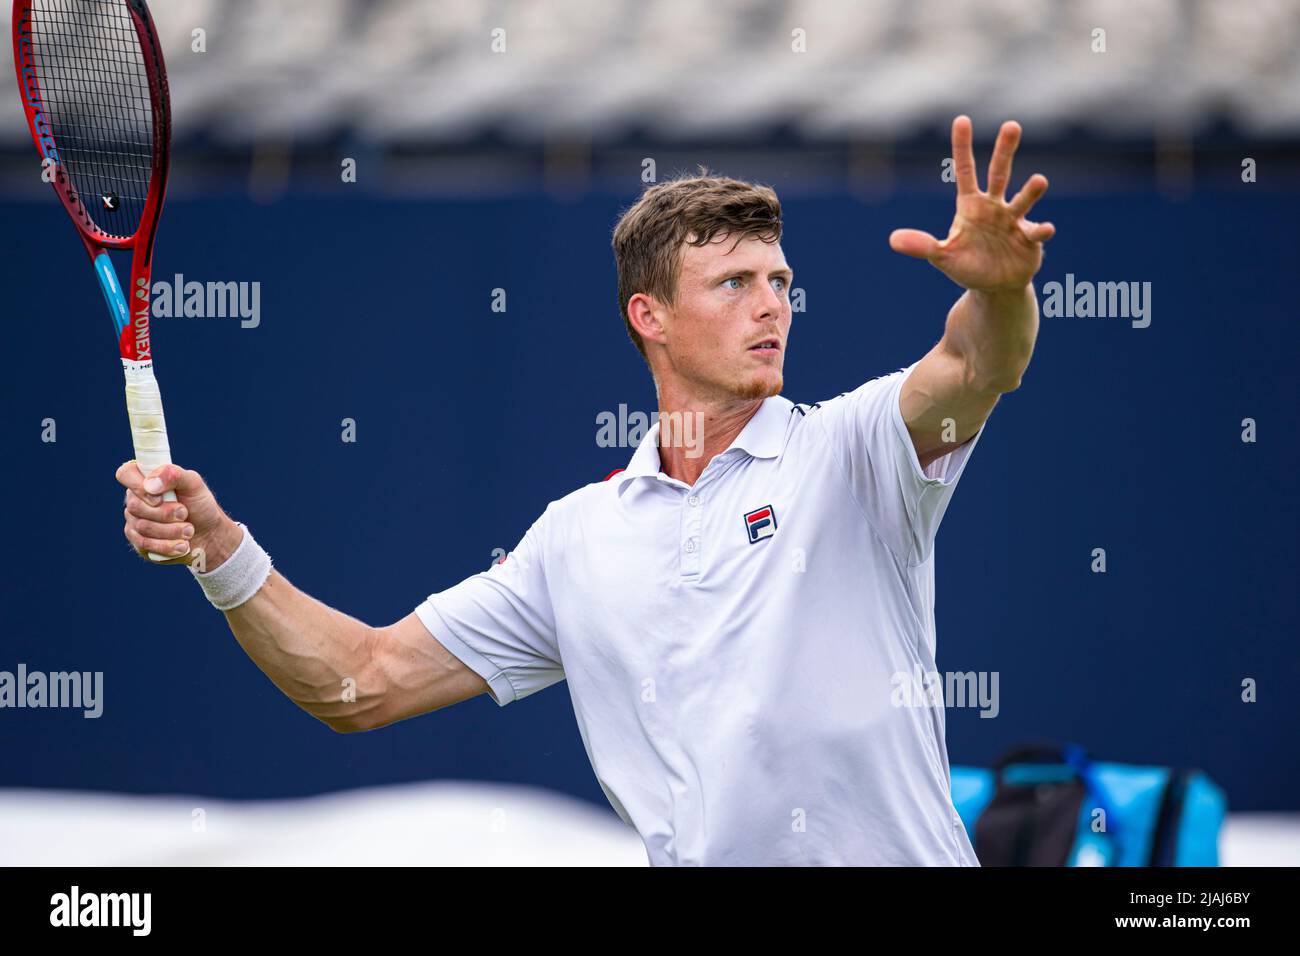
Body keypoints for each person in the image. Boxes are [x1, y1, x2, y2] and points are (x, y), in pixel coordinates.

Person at [118, 116, 1053, 865]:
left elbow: (974, 363)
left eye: (779, 280)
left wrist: (1004, 293)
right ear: (650, 316)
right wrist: (218, 550)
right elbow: (362, 682)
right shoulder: (577, 540)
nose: (772, 304)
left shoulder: (855, 449)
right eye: (733, 283)